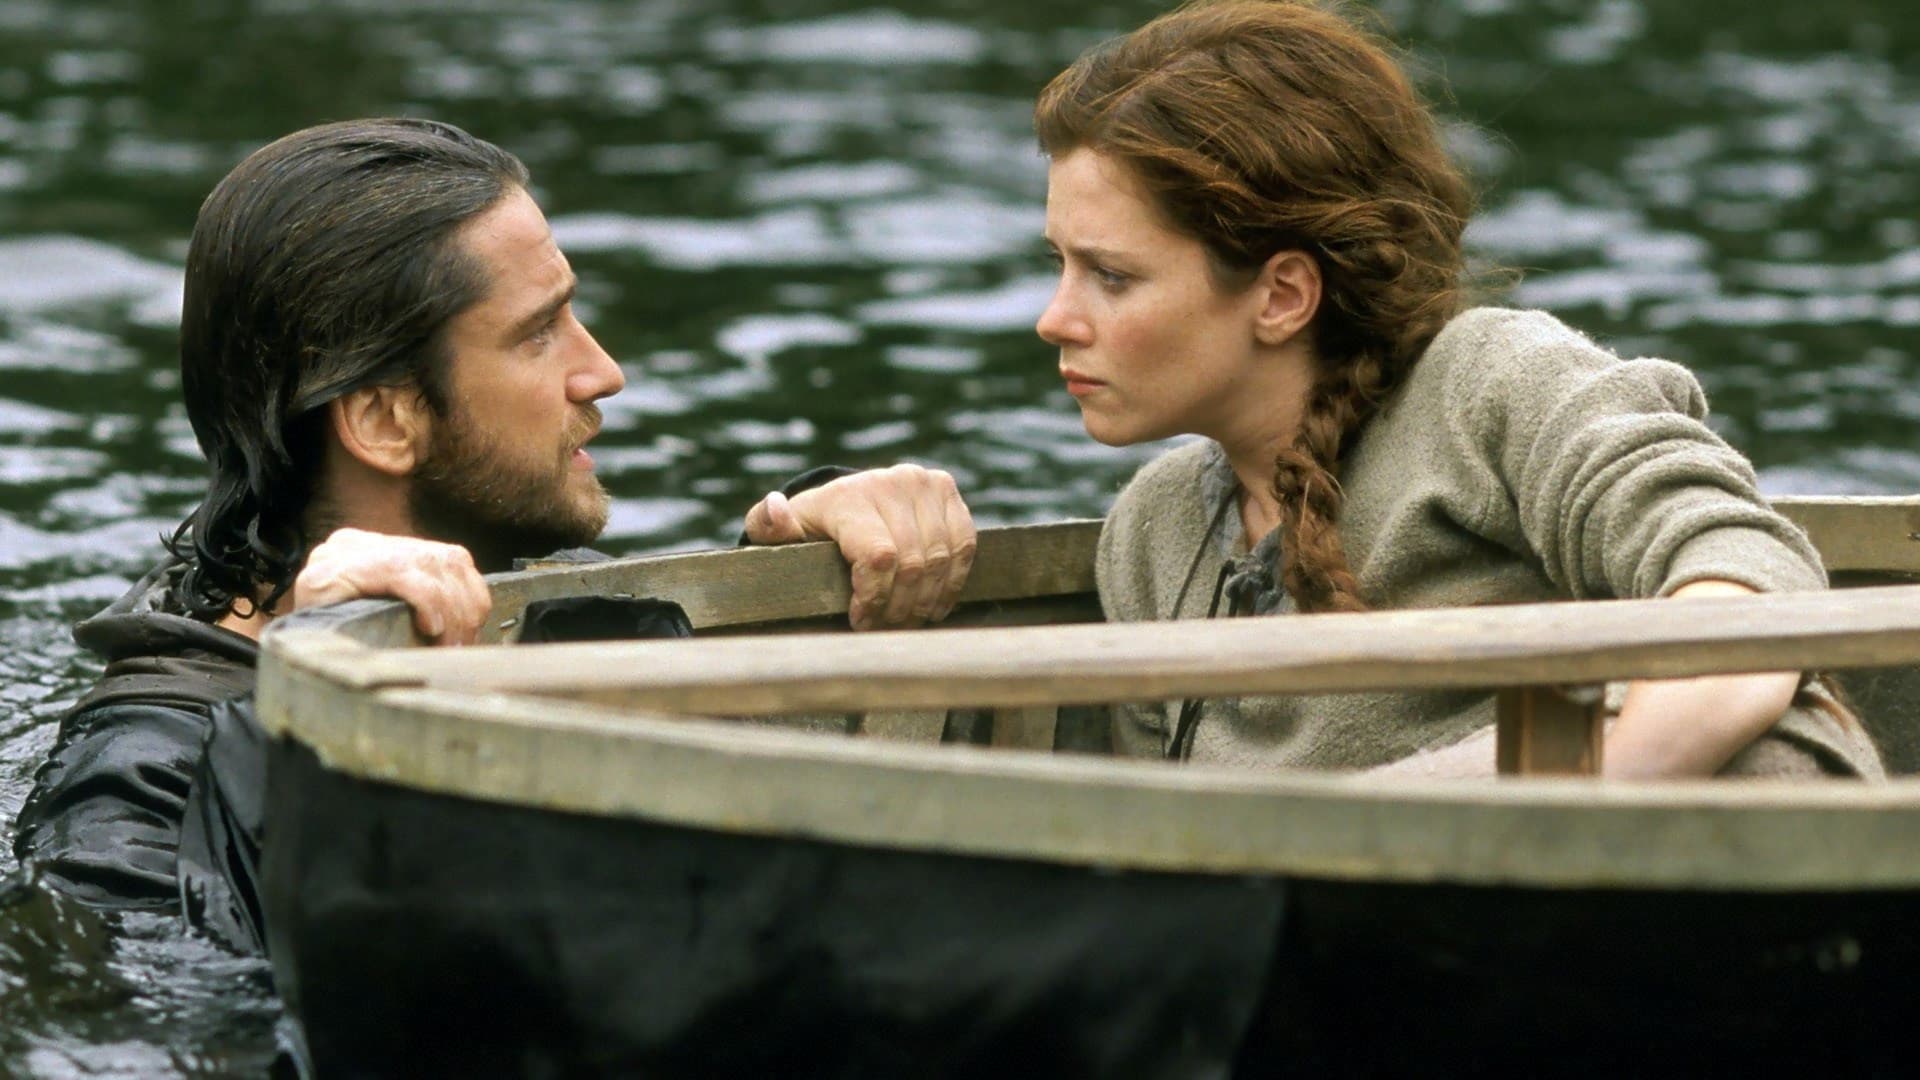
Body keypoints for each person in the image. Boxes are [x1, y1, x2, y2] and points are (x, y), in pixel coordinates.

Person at [9, 118, 978, 930]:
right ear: (387, 420)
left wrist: (808, 554)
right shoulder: (136, 780)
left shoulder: (535, 599)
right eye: (537, 333)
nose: (603, 373)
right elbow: (150, 1027)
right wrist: (302, 700)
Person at [1032, 0, 1881, 778]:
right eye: (1059, 263)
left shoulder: (1490, 387)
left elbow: (1750, 581)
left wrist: (1514, 811)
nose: (1054, 319)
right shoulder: (1151, 537)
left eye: (1111, 276)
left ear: (1283, 295)